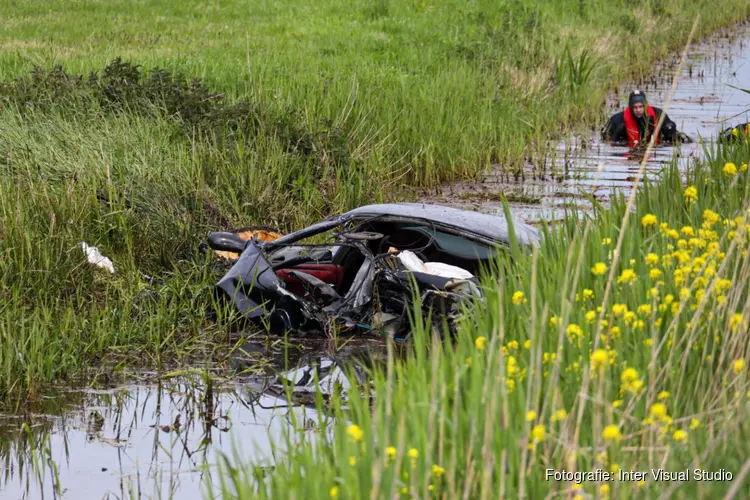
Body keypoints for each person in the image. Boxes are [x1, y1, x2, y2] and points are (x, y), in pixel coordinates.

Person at [601, 90, 690, 147]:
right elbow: (606, 140)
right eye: (635, 107)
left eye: (641, 107)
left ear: (645, 106)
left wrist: (670, 129)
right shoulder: (617, 120)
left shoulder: (658, 114)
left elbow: (675, 135)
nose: (638, 110)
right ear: (630, 107)